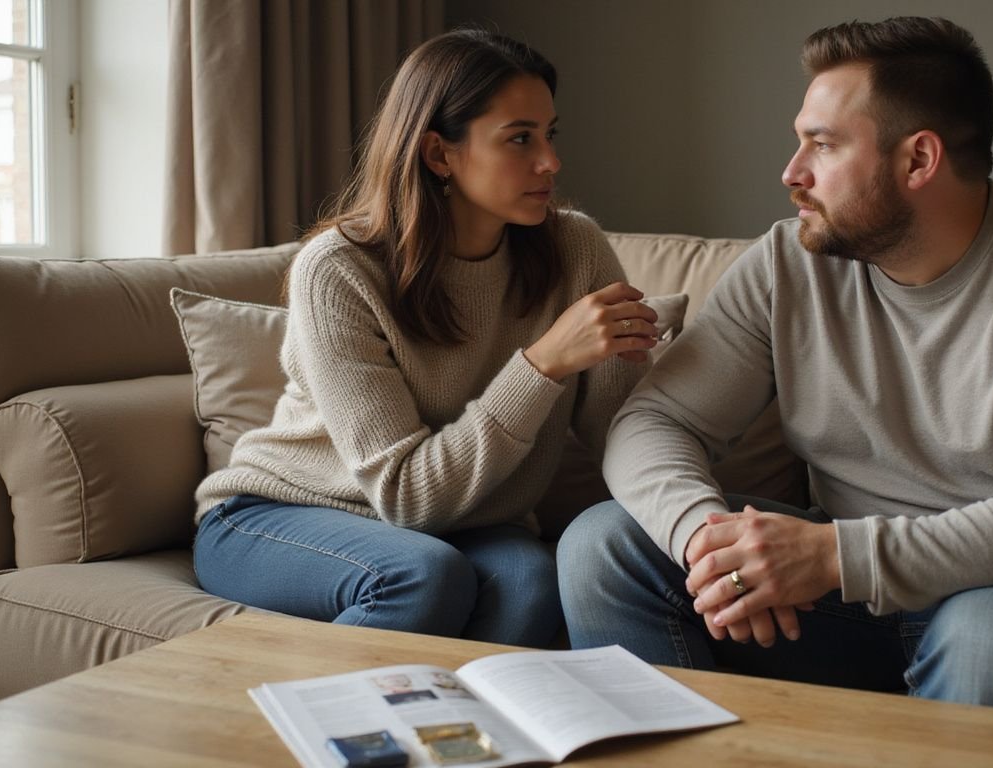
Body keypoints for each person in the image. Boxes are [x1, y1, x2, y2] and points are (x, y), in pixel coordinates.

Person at [558, 16, 993, 717]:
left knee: (986, 632)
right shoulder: (790, 265)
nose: (791, 173)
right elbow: (653, 418)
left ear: (918, 160)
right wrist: (704, 542)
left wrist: (833, 557)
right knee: (605, 545)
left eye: (822, 144)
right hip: (877, 602)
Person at [192, 29, 658, 648]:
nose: (550, 162)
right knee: (420, 575)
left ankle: (460, 742)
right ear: (439, 154)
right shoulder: (339, 269)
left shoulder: (575, 248)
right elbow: (407, 499)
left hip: (475, 524)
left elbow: (616, 432)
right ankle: (305, 730)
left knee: (533, 584)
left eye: (550, 134)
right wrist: (542, 364)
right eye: (520, 138)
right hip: (280, 515)